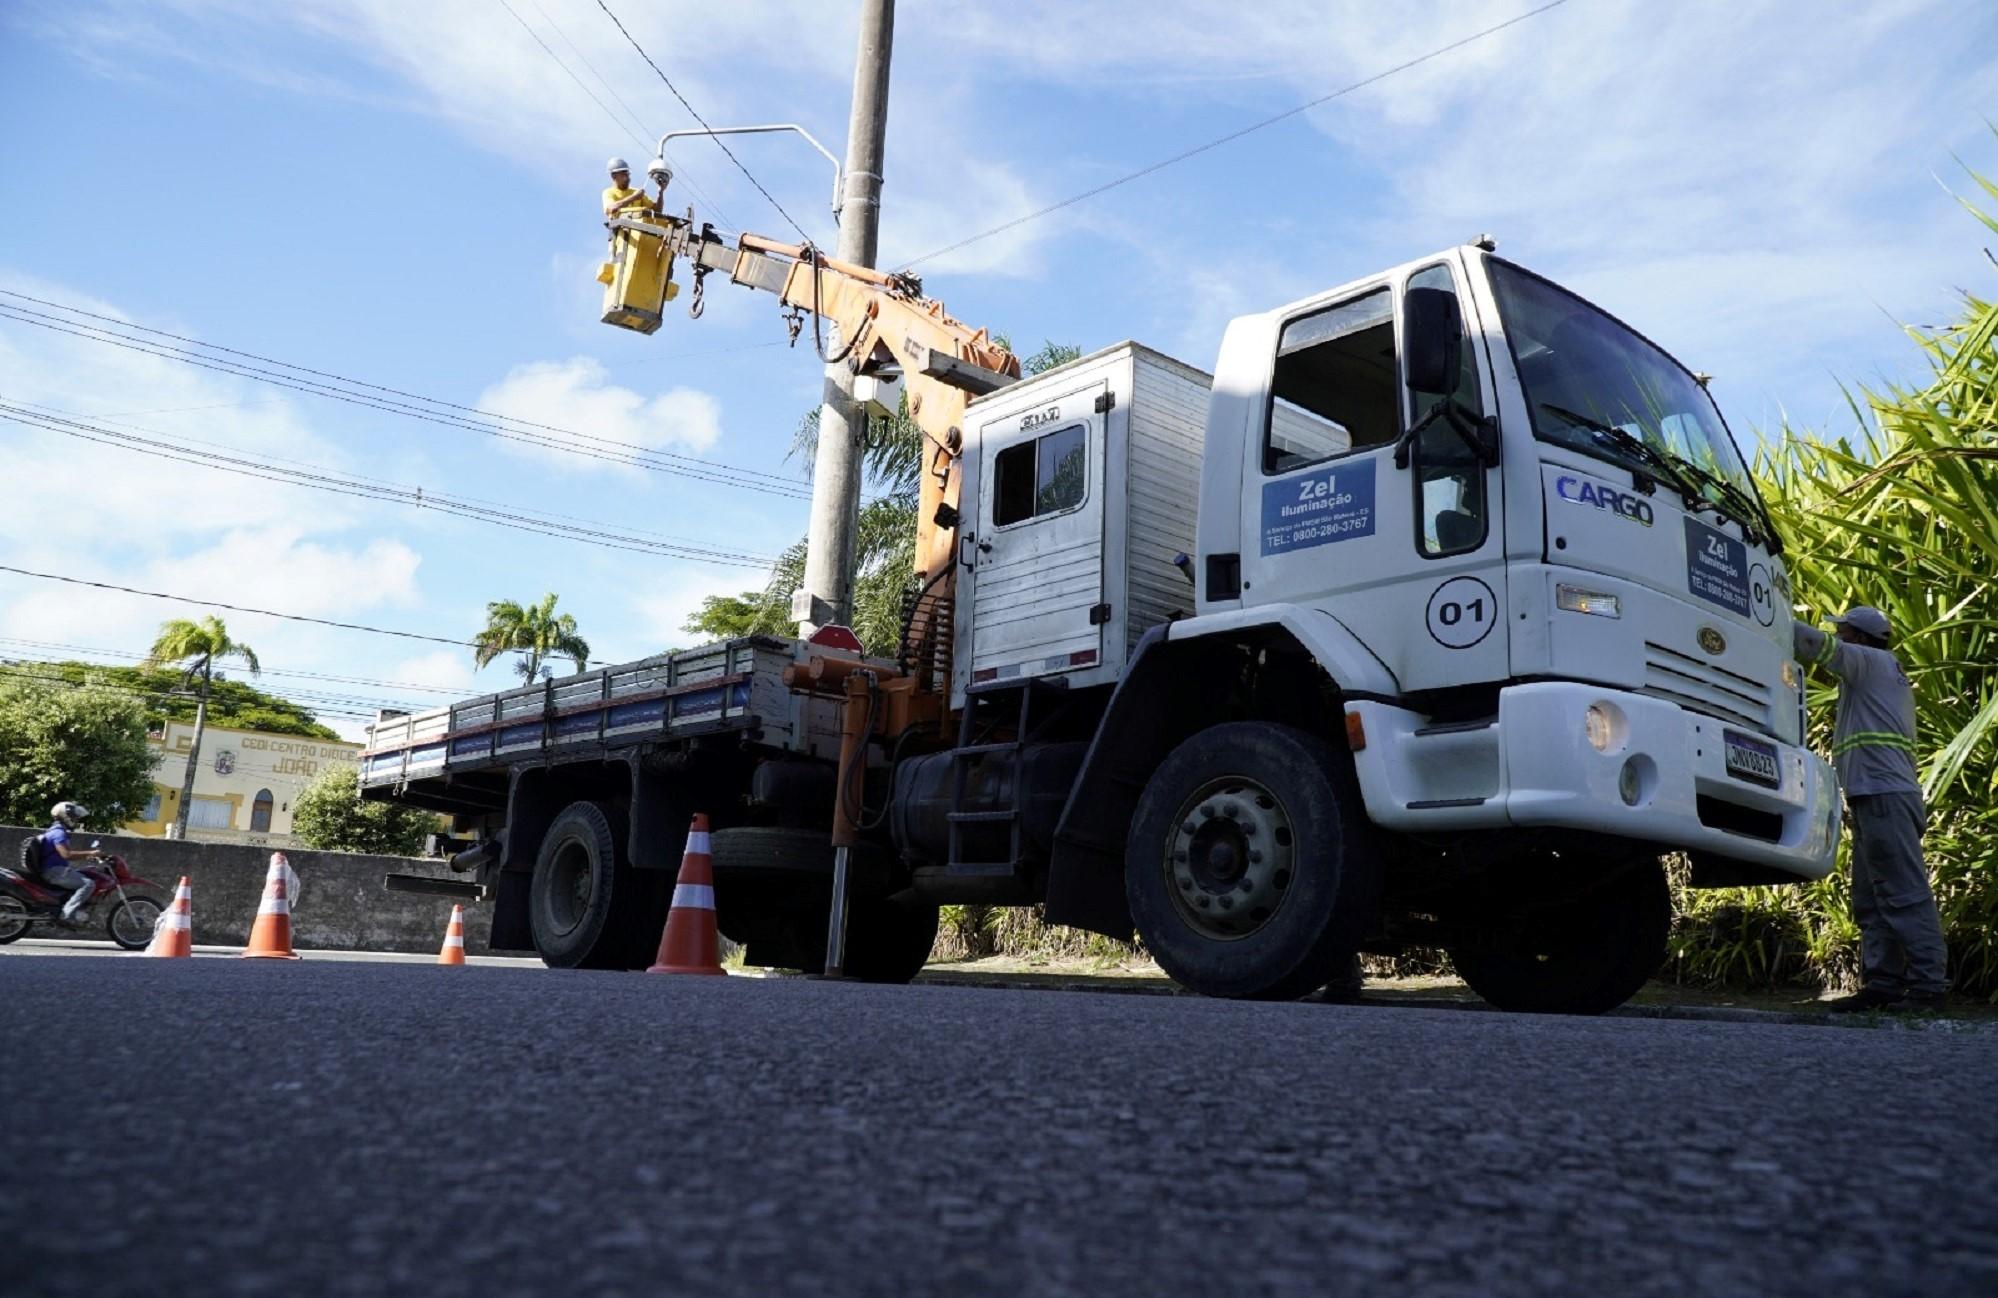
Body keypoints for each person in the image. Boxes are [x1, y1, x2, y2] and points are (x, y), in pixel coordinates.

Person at [1794, 606, 1949, 1011]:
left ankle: (1928, 987)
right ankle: (1883, 985)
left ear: (1859, 638)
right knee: (1872, 896)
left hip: (1884, 797)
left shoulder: (1870, 662)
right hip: (1874, 797)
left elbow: (1811, 643)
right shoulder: (1878, 673)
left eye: (1842, 631)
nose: (1838, 637)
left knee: (1903, 893)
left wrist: (1763, 611)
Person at [37, 801, 102, 925]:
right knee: (88, 884)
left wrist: (86, 855)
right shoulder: (59, 833)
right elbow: (66, 854)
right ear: (65, 816)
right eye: (74, 817)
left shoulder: (54, 831)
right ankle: (65, 915)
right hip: (54, 871)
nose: (76, 820)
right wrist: (91, 853)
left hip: (54, 870)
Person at [601, 157, 658, 222]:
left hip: (638, 229)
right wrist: (634, 197)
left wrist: (660, 191)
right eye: (623, 174)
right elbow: (611, 208)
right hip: (620, 230)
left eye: (628, 174)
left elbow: (657, 211)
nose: (627, 178)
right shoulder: (609, 192)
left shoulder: (636, 192)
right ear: (613, 176)